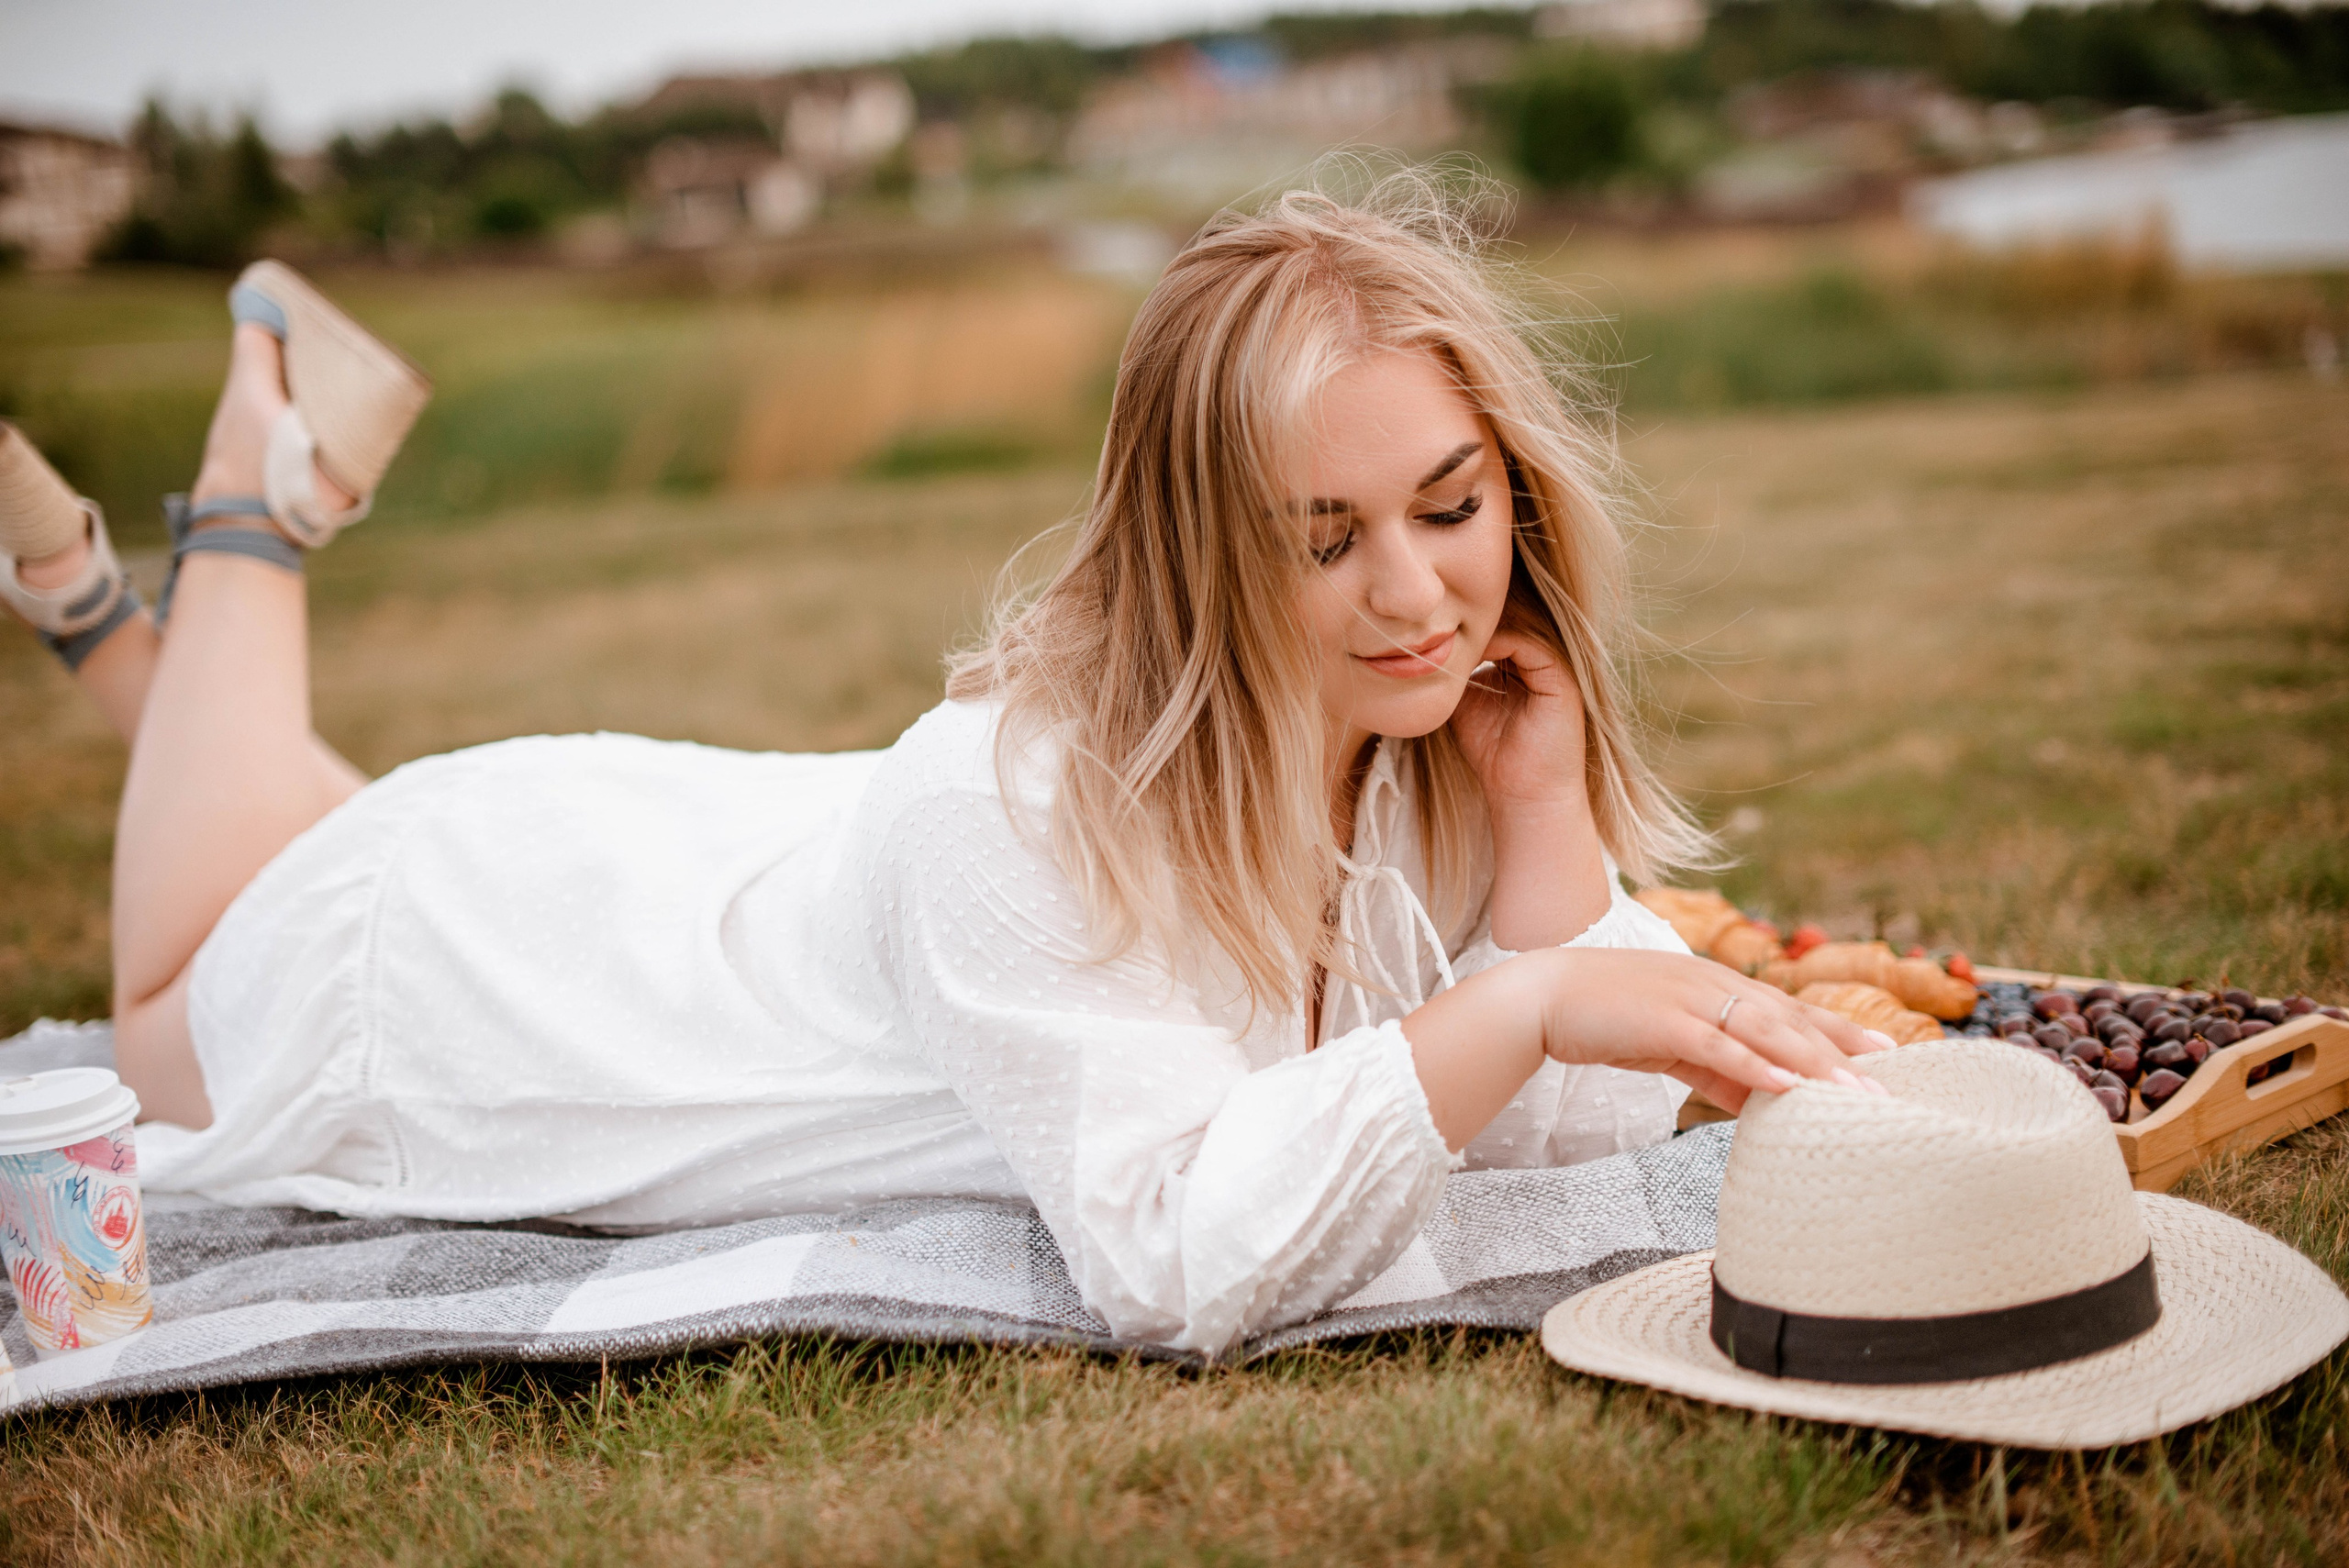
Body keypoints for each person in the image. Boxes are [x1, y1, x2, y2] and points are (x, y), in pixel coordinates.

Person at [0, 178, 1884, 1356]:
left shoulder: (1419, 733)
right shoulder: (1020, 806)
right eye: (1322, 540)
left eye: (1448, 507)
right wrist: (1539, 995)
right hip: (477, 975)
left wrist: (1546, 836)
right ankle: (239, 514)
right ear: (1201, 546)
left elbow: (1556, 1135)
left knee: (252, 848)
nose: (1413, 597)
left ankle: (110, 593)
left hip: (658, 858)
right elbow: (1176, 1259)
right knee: (179, 985)